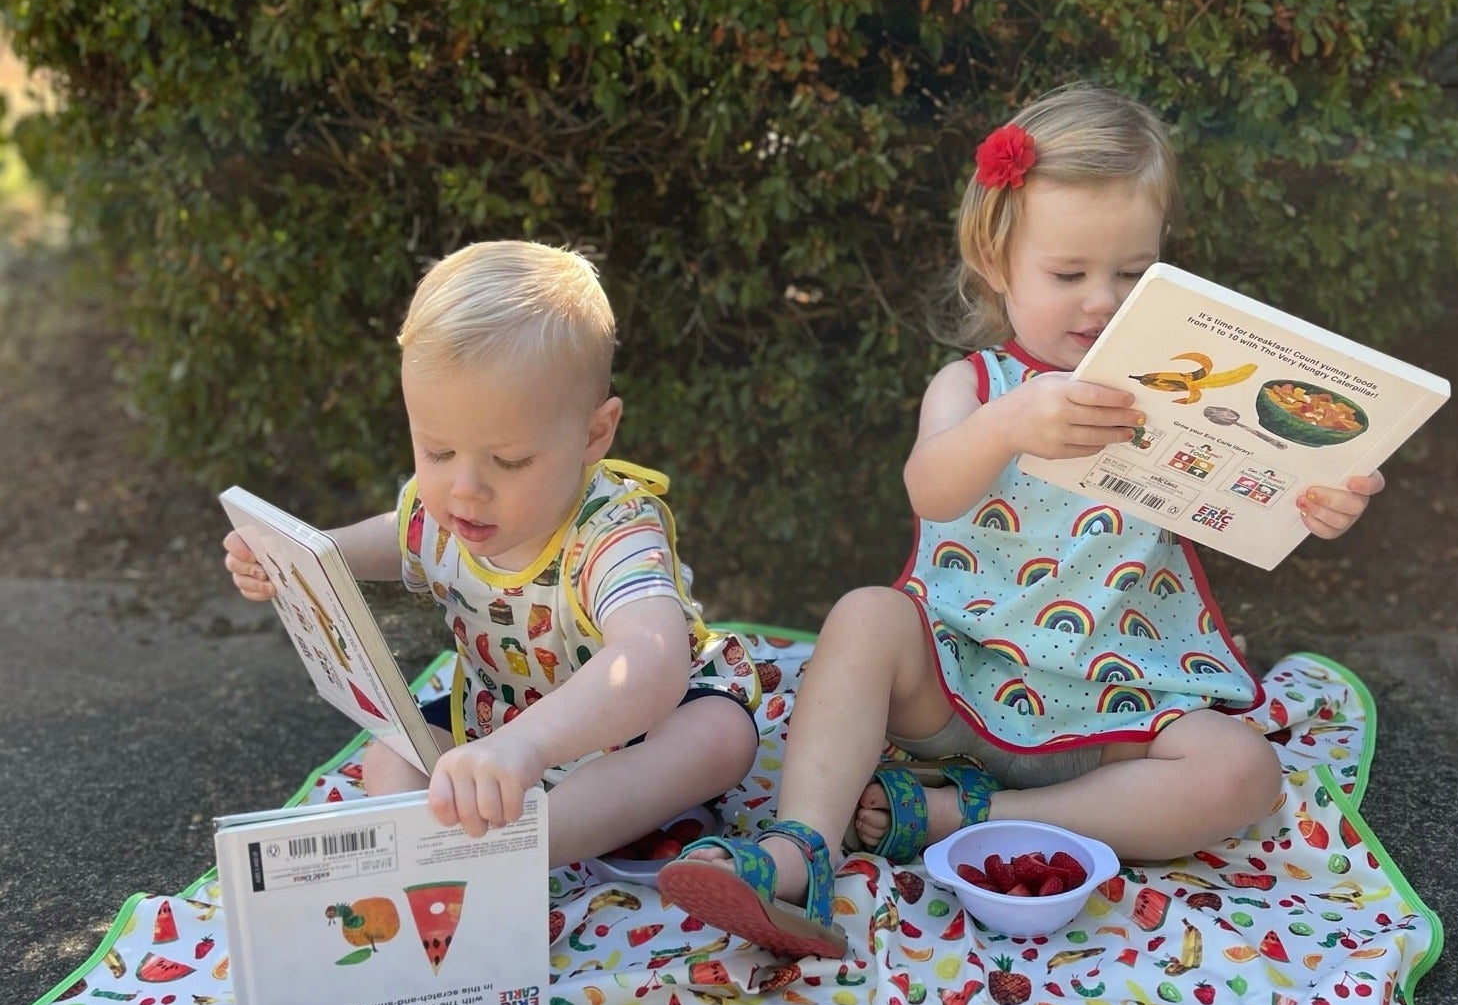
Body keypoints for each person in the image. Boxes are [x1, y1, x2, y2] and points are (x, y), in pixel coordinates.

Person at [658, 83, 1385, 959]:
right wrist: (1006, 425)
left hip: (1122, 707)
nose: (1102, 301)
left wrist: (1315, 501)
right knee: (864, 616)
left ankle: (957, 818)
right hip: (961, 682)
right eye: (1068, 274)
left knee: (1245, 774)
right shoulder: (973, 387)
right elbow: (930, 489)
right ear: (996, 265)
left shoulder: (1183, 397)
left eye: (1131, 272)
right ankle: (797, 847)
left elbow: (1250, 498)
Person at [225, 240, 761, 865]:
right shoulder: (448, 511)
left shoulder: (613, 530)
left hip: (634, 730)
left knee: (720, 736)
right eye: (438, 452)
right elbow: (396, 539)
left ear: (594, 435)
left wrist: (528, 748)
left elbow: (652, 660)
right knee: (390, 753)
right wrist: (302, 558)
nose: (466, 489)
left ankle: (522, 857)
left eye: (508, 461)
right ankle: (429, 858)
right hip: (493, 724)